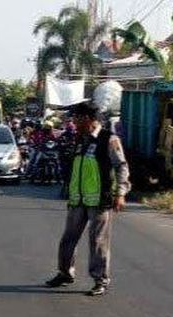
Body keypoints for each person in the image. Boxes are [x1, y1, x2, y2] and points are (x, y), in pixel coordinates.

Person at [45, 102, 131, 296]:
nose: (73, 122)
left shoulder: (109, 139)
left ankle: (100, 280)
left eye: (76, 118)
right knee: (68, 239)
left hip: (100, 200)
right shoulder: (79, 139)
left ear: (87, 119)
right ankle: (65, 273)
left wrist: (121, 193)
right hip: (78, 199)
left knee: (98, 242)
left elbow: (121, 166)